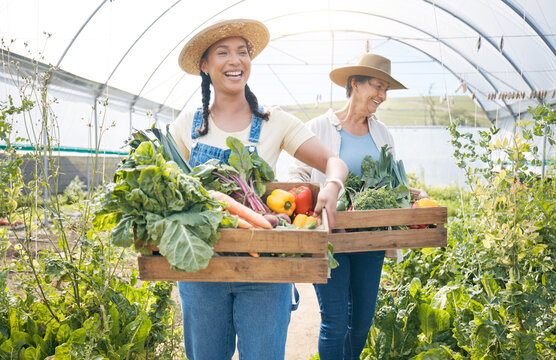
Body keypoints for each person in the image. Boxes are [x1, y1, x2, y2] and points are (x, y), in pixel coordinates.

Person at [169, 19, 348, 360]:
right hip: (202, 271)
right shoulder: (187, 126)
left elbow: (334, 162)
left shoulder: (274, 121)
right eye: (223, 52)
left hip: (266, 269)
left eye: (242, 52)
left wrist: (333, 185)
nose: (235, 61)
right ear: (205, 66)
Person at [288, 53, 428, 360]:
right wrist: (317, 200)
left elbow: (390, 181)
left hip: (370, 239)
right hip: (329, 240)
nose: (383, 95)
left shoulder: (382, 133)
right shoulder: (319, 127)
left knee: (362, 322)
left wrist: (406, 192)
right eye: (378, 86)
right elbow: (295, 175)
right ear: (355, 83)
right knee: (335, 322)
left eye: (386, 89)